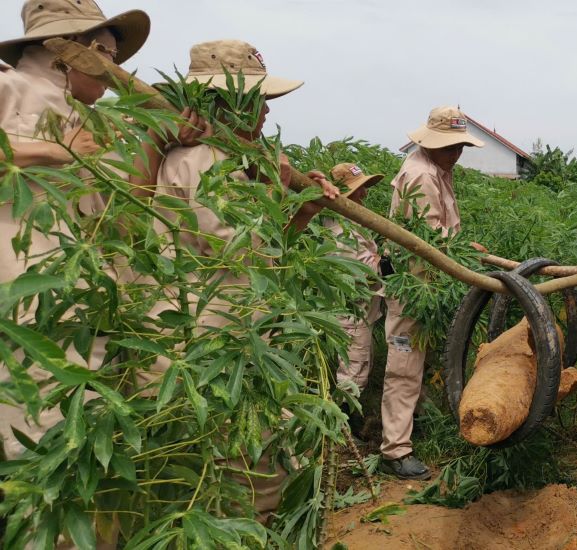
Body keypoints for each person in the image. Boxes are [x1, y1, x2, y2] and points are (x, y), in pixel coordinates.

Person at [0, 0, 207, 461]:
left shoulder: (95, 126)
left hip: (83, 313)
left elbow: (121, 224)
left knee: (82, 462)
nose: (115, 72)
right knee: (42, 458)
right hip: (27, 318)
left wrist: (155, 140)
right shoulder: (9, 88)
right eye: (110, 58)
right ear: (77, 50)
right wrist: (49, 151)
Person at [152, 39, 338, 523]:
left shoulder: (237, 162)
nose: (263, 113)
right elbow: (248, 252)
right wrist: (286, 197)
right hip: (211, 346)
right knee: (243, 470)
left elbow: (267, 256)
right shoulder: (201, 163)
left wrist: (302, 207)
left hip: (242, 340)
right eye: (255, 101)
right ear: (223, 102)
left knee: (255, 463)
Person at [380, 106, 484, 480]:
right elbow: (427, 241)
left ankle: (411, 426)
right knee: (404, 366)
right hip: (413, 286)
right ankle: (395, 450)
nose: (456, 154)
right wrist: (463, 253)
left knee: (416, 362)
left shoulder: (438, 168)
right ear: (433, 143)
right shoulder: (421, 175)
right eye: (451, 146)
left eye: (460, 146)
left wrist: (461, 245)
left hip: (426, 284)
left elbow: (440, 230)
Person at [292, 163, 385, 438]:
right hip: (351, 312)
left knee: (358, 367)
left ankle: (346, 422)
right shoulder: (339, 230)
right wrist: (390, 261)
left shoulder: (353, 223)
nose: (365, 194)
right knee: (353, 370)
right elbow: (366, 273)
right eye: (359, 190)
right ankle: (339, 430)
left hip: (361, 311)